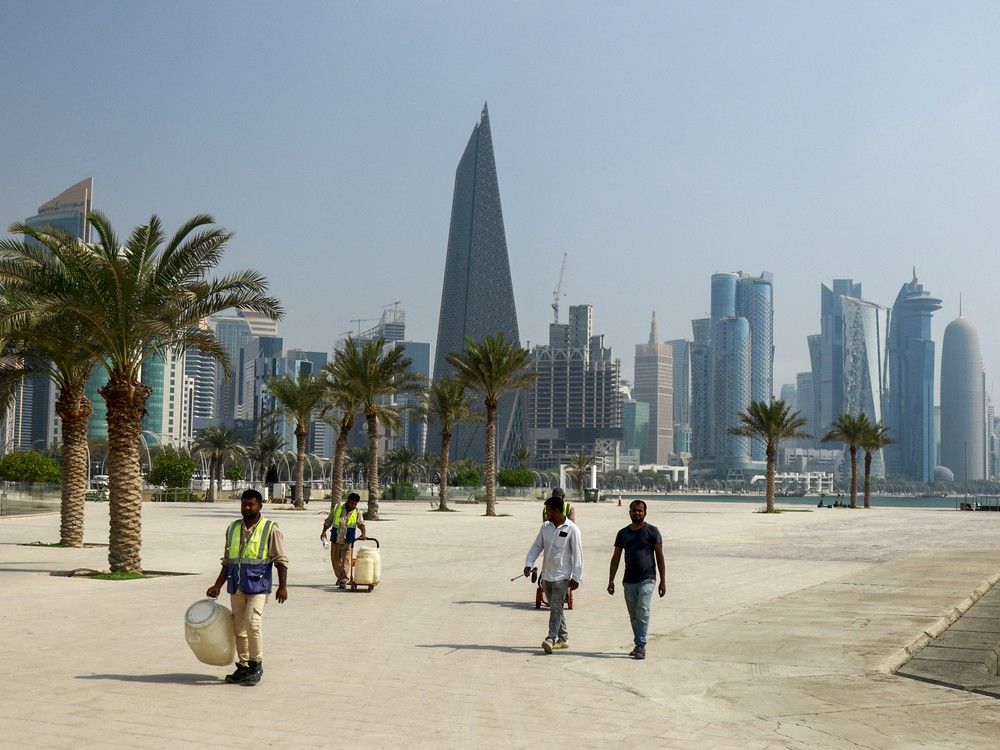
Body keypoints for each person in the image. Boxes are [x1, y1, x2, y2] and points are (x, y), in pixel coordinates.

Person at [206, 489, 288, 685]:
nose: (247, 508)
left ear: (260, 506)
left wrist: (283, 586)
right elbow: (227, 561)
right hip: (237, 585)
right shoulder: (233, 528)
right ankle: (243, 666)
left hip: (259, 585)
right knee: (239, 627)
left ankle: (256, 664)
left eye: (251, 504)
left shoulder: (270, 528)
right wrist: (217, 585)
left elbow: (281, 559)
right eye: (244, 504)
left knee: (253, 623)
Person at [607, 500, 665, 660]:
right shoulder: (623, 533)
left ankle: (641, 645)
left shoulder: (653, 532)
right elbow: (616, 557)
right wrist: (611, 580)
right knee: (633, 615)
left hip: (648, 578)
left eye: (640, 511)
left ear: (645, 513)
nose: (637, 513)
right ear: (630, 512)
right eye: (634, 510)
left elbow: (659, 557)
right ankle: (638, 643)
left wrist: (662, 581)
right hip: (629, 580)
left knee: (643, 610)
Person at [524, 496, 583, 654]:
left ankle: (551, 638)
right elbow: (537, 546)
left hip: (562, 576)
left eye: (548, 510)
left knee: (556, 607)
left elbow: (578, 554)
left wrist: (576, 577)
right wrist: (529, 564)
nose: (546, 513)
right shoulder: (545, 527)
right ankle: (563, 638)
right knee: (555, 608)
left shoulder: (572, 529)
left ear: (556, 510)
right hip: (547, 576)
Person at [320, 492, 367, 589]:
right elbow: (329, 520)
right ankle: (339, 576)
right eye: (352, 503)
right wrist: (324, 531)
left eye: (355, 504)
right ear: (348, 501)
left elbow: (361, 523)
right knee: (335, 560)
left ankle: (343, 580)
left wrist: (363, 533)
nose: (354, 506)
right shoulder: (337, 508)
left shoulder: (357, 511)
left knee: (346, 560)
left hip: (348, 540)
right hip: (336, 538)